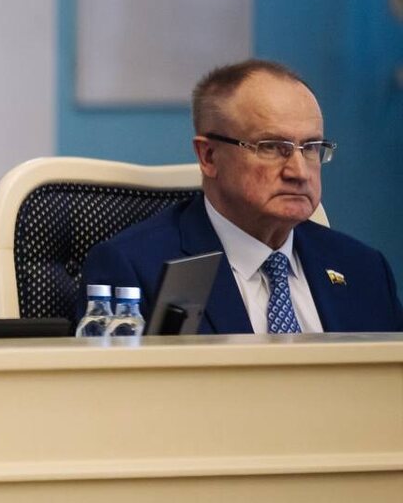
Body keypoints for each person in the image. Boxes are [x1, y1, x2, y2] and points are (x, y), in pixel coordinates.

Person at [79, 59, 401, 334]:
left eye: (311, 148)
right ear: (209, 156)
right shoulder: (136, 269)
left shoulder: (363, 269)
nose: (300, 172)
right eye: (272, 147)